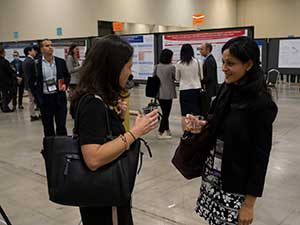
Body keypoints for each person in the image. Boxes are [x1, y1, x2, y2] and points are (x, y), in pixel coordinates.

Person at [185, 36, 278, 225]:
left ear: (249, 64)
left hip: (236, 180)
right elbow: (214, 120)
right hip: (214, 170)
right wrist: (201, 124)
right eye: (223, 62)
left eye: (231, 63)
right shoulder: (226, 88)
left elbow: (260, 156)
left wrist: (249, 204)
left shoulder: (261, 104)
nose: (224, 68)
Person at [71, 35, 159, 225]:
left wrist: (115, 118)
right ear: (113, 68)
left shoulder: (97, 100)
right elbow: (93, 158)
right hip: (104, 198)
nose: (130, 71)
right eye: (128, 66)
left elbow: (101, 136)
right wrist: (135, 132)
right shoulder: (92, 104)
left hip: (105, 193)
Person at [31, 39, 70, 136]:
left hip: (59, 98)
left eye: (51, 45)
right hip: (45, 100)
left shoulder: (60, 62)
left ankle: (62, 148)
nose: (50, 47)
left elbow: (67, 76)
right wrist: (37, 97)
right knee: (48, 127)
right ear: (41, 49)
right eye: (47, 46)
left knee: (61, 126)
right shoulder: (36, 64)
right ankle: (50, 149)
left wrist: (65, 83)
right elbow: (31, 81)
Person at [175, 43, 203, 131]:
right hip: (196, 89)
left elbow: (177, 78)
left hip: (184, 90)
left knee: (184, 114)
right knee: (196, 112)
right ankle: (196, 131)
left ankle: (186, 133)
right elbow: (201, 76)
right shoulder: (198, 62)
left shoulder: (179, 64)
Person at [155, 49, 176, 139]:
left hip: (159, 93)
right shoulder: (171, 67)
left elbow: (153, 78)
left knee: (164, 112)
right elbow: (175, 77)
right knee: (166, 113)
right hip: (168, 94)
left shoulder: (157, 66)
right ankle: (160, 132)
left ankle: (167, 130)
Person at [22, 46, 40, 121]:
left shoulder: (25, 60)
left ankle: (32, 115)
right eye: (33, 50)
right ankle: (33, 115)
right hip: (32, 84)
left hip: (28, 84)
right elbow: (34, 74)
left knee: (31, 100)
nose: (35, 52)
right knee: (34, 100)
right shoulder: (31, 61)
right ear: (29, 52)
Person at [0, 46, 15, 112]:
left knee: (4, 94)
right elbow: (9, 71)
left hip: (1, 81)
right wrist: (13, 70)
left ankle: (3, 105)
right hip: (6, 81)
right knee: (10, 93)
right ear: (2, 52)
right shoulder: (5, 61)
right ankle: (4, 106)